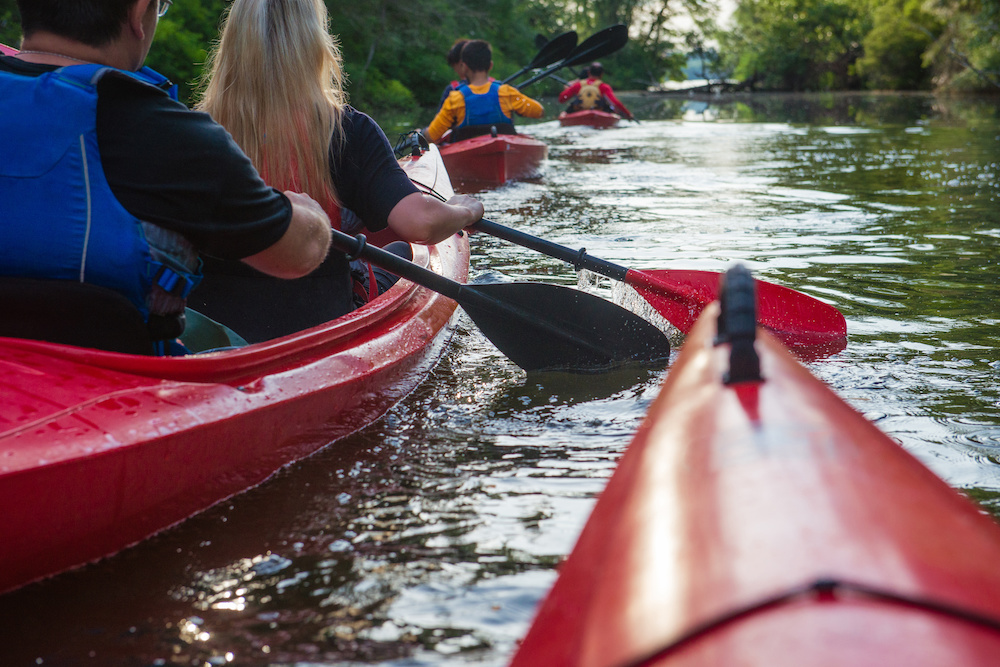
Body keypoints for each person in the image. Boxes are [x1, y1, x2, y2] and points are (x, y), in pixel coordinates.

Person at [0, 0, 332, 354]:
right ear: (138, 12)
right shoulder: (172, 136)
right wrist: (307, 214)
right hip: (124, 388)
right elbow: (295, 255)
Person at [196, 0, 484, 342]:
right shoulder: (348, 130)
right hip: (320, 322)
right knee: (403, 252)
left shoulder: (191, 131)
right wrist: (466, 210)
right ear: (316, 43)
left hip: (216, 330)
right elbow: (420, 224)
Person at [423, 39, 544, 144]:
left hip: (467, 151)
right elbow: (539, 112)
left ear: (464, 67)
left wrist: (421, 133)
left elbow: (432, 136)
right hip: (504, 144)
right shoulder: (507, 92)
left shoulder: (455, 98)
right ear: (490, 65)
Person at [558, 62, 634, 119]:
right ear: (601, 74)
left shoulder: (578, 85)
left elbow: (561, 99)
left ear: (589, 72)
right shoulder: (604, 86)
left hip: (578, 112)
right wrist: (627, 114)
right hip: (600, 112)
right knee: (612, 111)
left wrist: (567, 89)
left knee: (565, 112)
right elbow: (615, 102)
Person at [437, 38, 469, 110]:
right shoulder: (498, 87)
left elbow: (440, 120)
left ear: (461, 64)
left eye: (454, 66)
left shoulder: (452, 90)